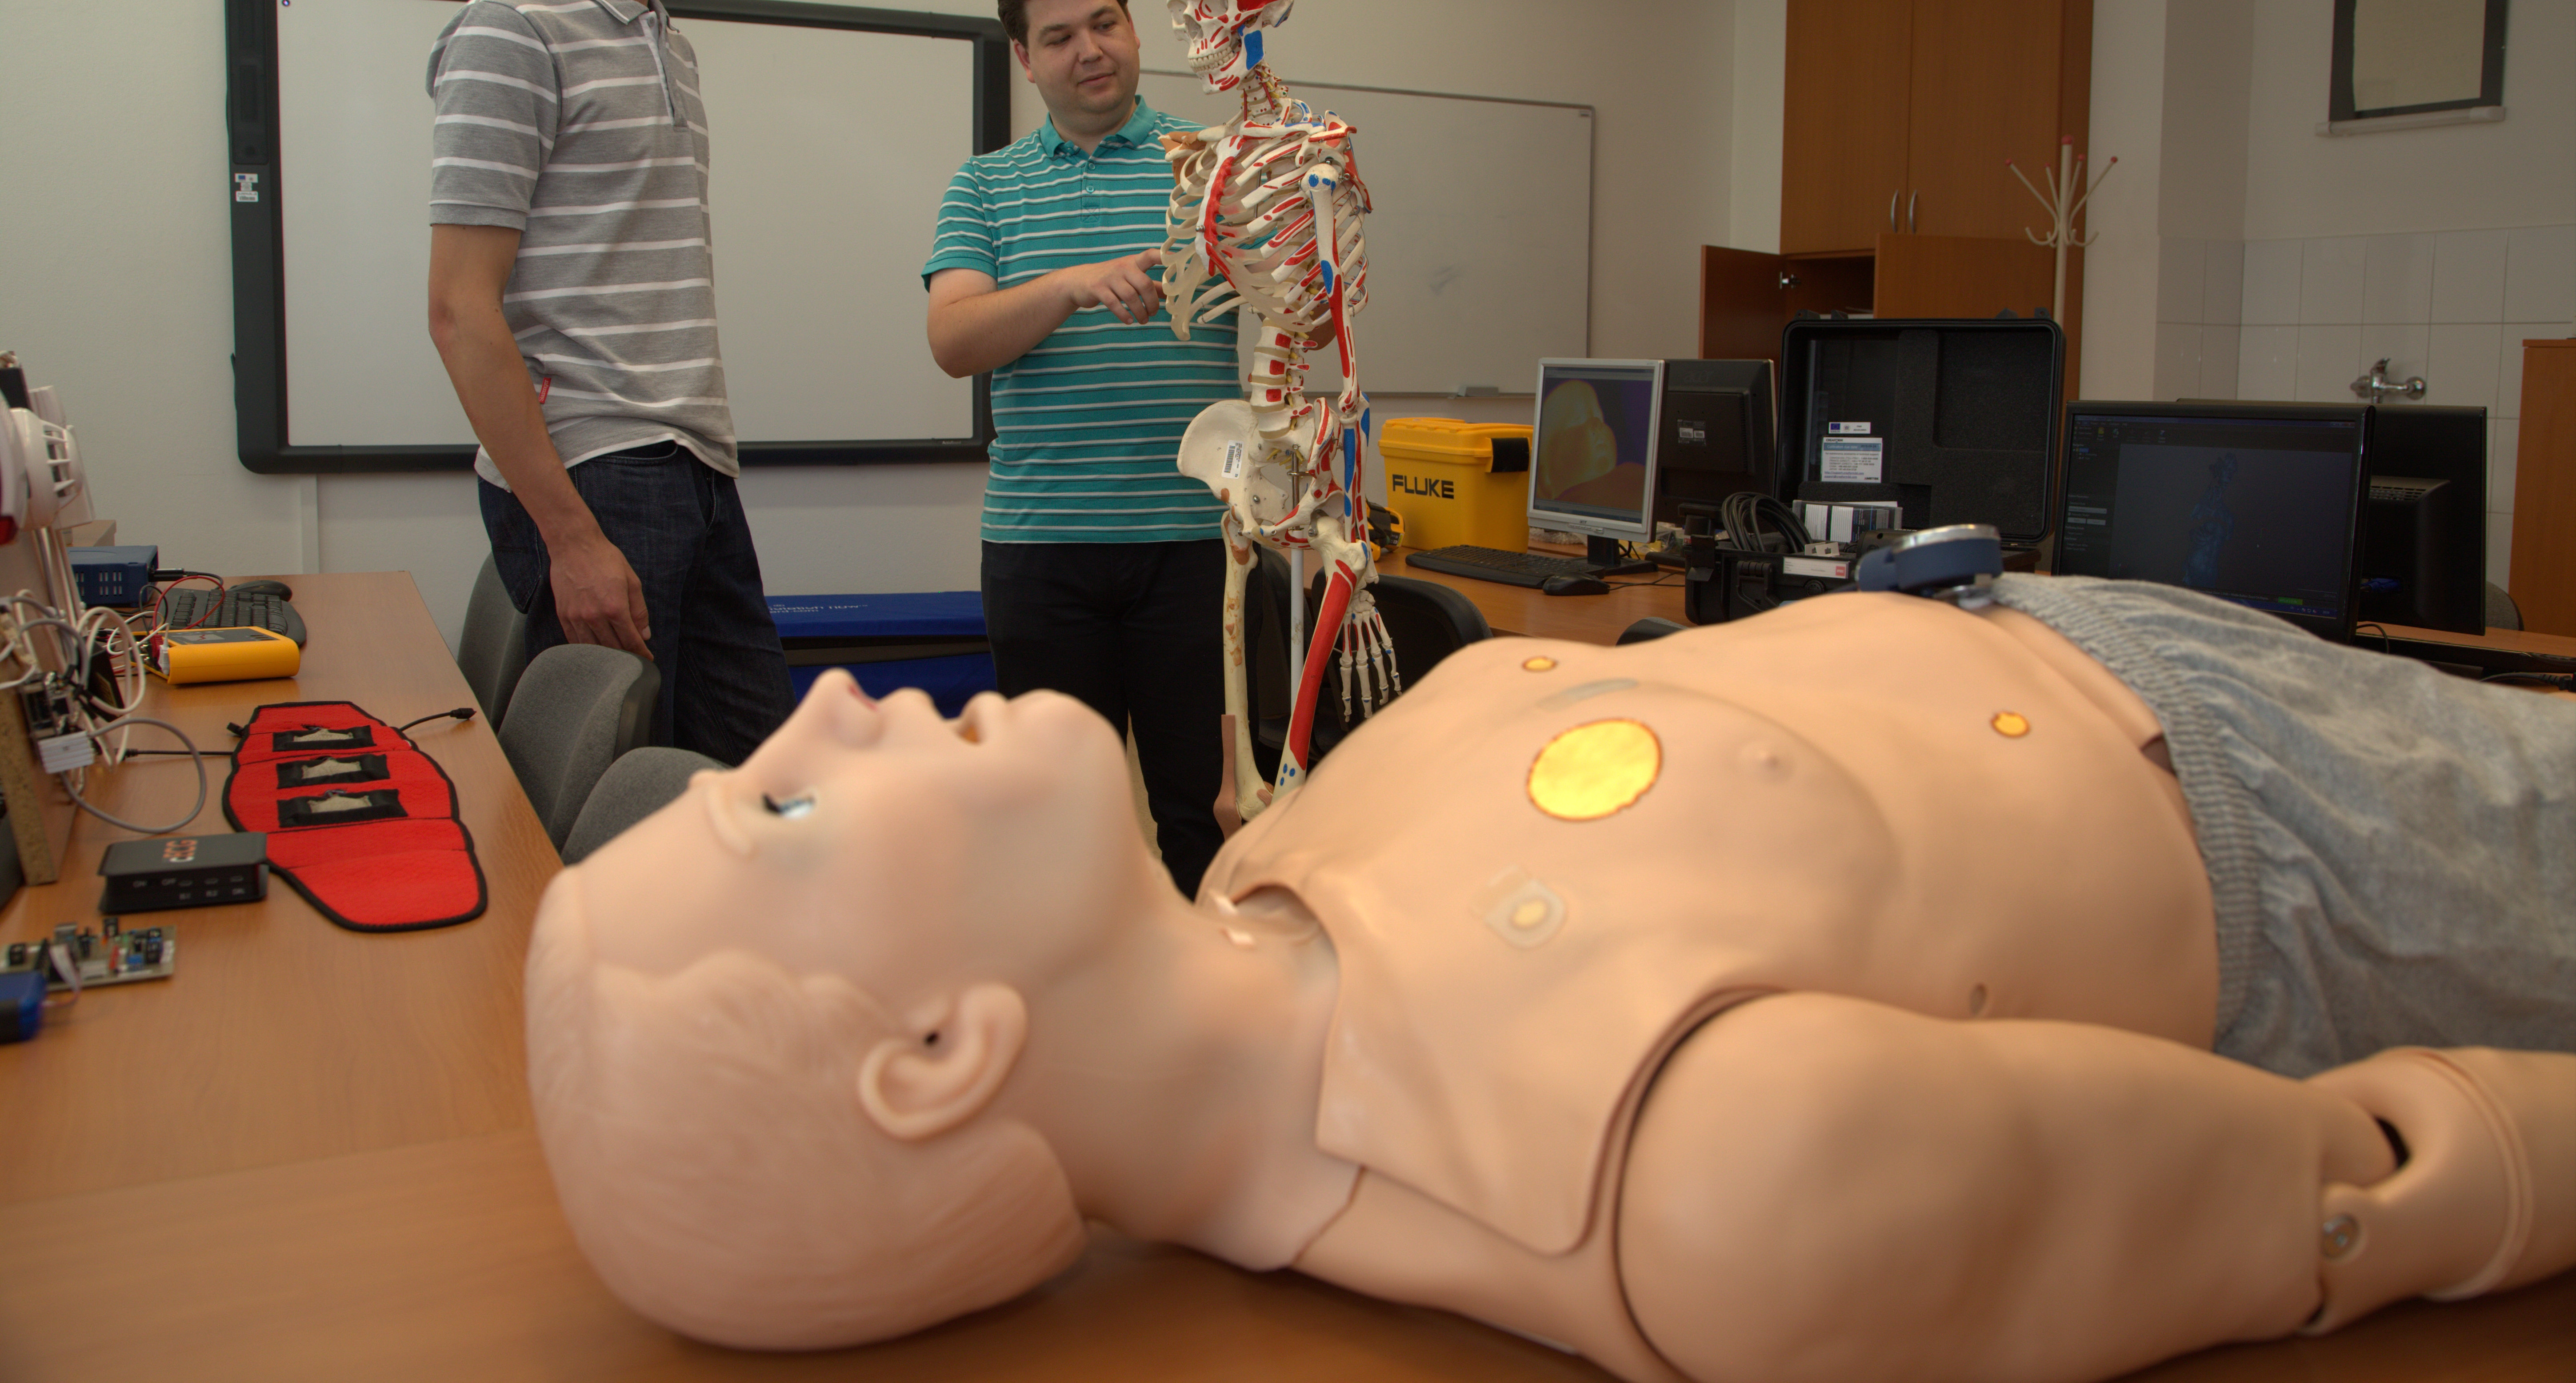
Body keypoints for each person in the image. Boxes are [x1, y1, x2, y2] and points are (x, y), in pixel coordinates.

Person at [524, 575, 2576, 1382]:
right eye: (785, 811)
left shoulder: (1258, 872)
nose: (825, 709)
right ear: (939, 1052)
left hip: (2106, 642)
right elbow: (2369, 1180)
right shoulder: (1673, 1176)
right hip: (2307, 847)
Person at [426, 0, 792, 765]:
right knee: (623, 819)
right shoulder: (513, 30)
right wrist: (570, 536)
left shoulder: (670, 43)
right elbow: (459, 309)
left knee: (758, 794)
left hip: (695, 466)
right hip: (599, 473)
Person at [920, 0, 1236, 896]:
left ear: (1134, 28)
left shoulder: (1215, 168)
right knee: (1058, 826)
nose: (1089, 50)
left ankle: (1212, 984)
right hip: (1043, 550)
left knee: (1206, 814)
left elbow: (1298, 323)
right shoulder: (985, 186)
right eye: (1059, 37)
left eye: (1104, 23)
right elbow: (954, 340)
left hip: (1196, 548)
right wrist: (1069, 284)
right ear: (1025, 59)